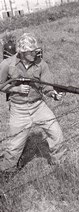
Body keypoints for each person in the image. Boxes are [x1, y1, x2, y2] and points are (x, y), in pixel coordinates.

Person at [0, 33, 65, 173]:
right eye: (31, 51)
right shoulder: (7, 64)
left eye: (36, 50)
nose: (35, 53)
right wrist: (16, 88)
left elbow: (47, 87)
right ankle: (7, 172)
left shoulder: (41, 64)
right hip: (19, 109)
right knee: (14, 146)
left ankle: (58, 164)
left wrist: (53, 94)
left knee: (56, 134)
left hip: (38, 106)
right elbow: (0, 84)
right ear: (22, 52)